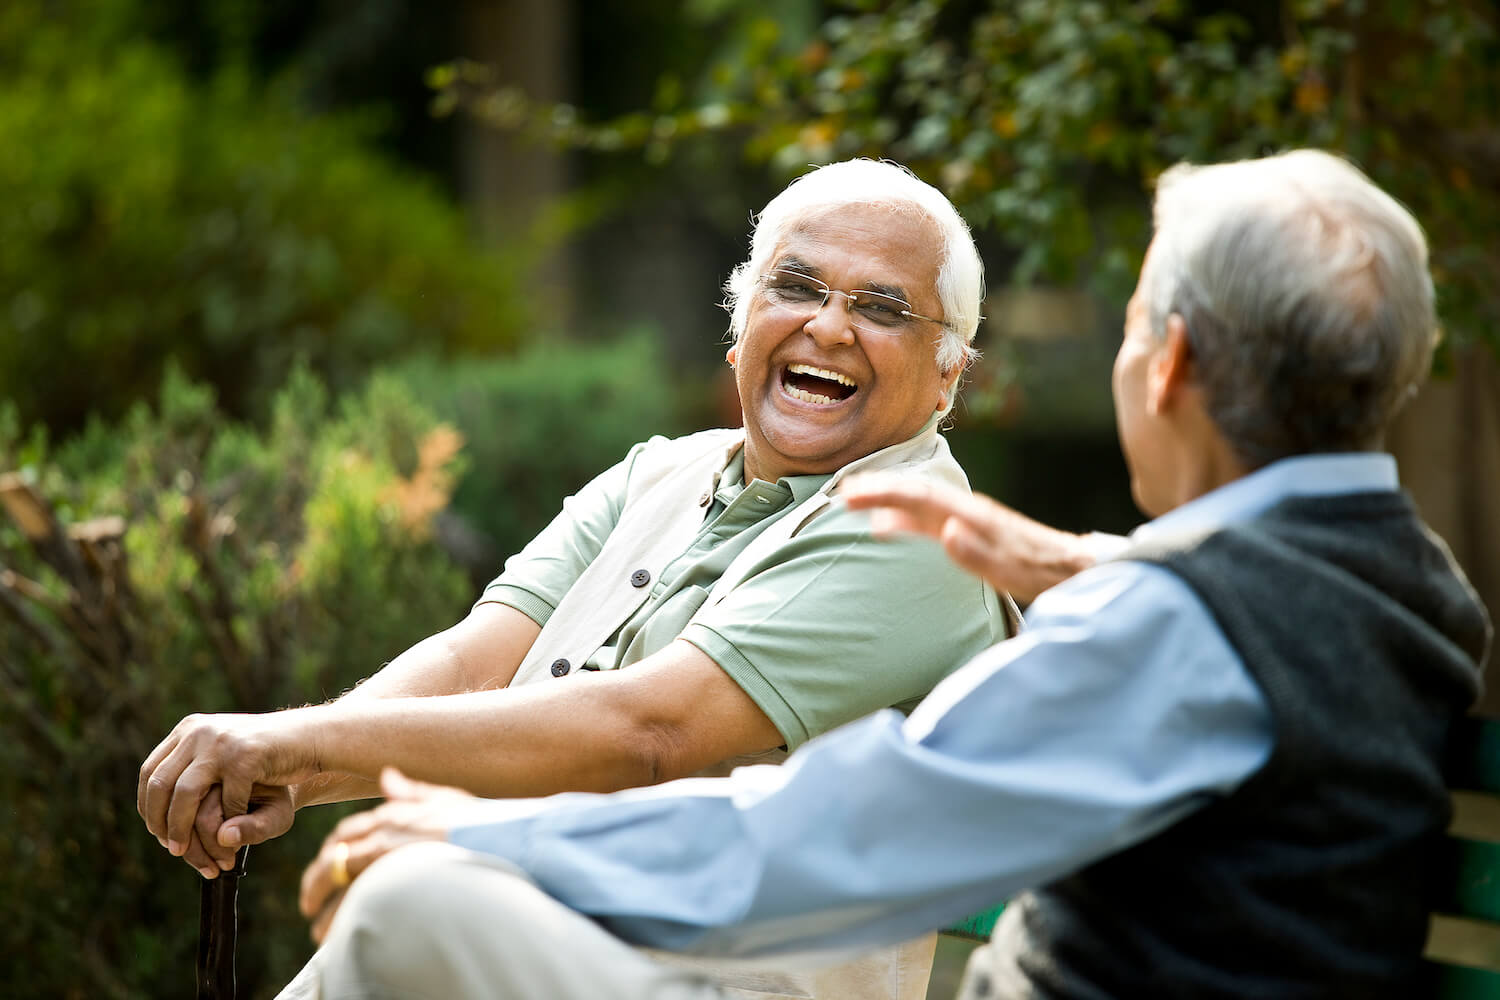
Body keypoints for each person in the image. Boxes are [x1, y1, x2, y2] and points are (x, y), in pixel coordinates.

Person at [290, 149, 1490, 1000]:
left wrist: (490, 838)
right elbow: (1250, 633)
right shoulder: (1411, 591)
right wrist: (1100, 565)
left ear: (1166, 362)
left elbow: (843, 835)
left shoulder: (1180, 630)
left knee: (413, 905)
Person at [138, 158, 1021, 1000]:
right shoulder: (656, 474)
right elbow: (470, 664)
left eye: (881, 307)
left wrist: (302, 749)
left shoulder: (918, 531)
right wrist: (287, 774)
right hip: (536, 943)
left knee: (409, 904)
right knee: (409, 903)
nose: (829, 326)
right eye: (796, 287)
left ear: (948, 378)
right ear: (739, 322)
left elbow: (650, 730)